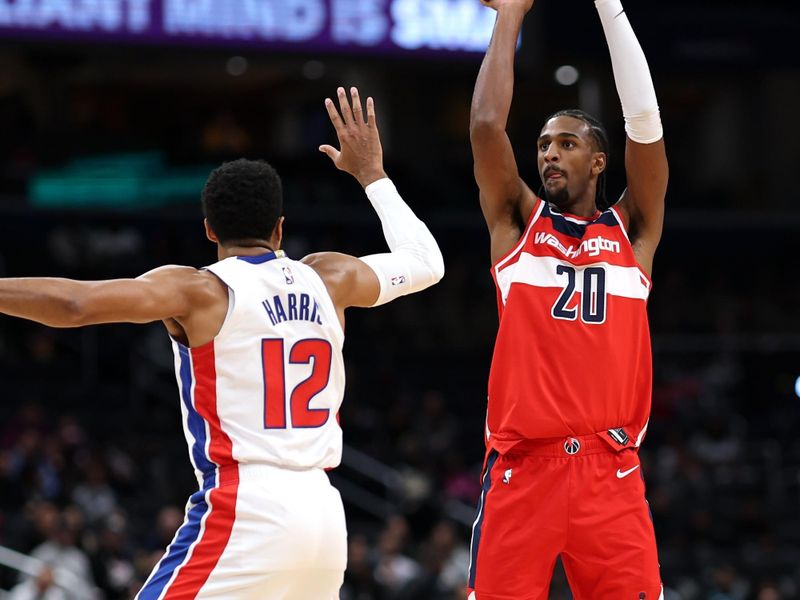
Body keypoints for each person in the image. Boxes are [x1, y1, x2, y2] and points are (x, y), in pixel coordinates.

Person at [0, 86, 444, 599]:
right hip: (323, 516)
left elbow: (76, 305)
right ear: (280, 228)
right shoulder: (330, 277)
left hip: (248, 506)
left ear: (209, 229)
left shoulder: (200, 290)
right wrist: (373, 175)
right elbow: (427, 263)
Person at [467, 0, 668, 598]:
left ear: (599, 160)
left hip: (611, 470)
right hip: (524, 468)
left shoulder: (632, 231)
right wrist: (509, 14)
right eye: (543, 144)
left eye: (567, 143)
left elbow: (646, 123)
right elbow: (484, 128)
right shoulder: (517, 225)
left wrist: (608, 5)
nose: (549, 152)